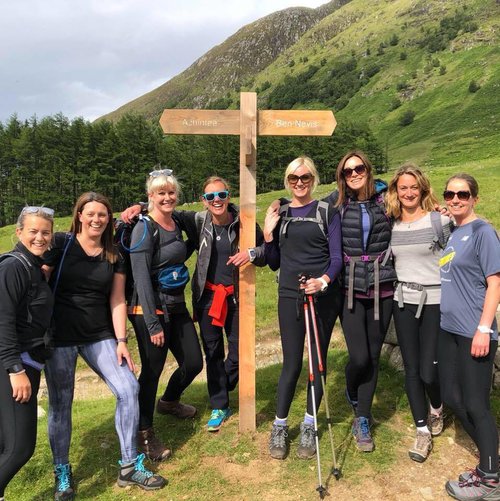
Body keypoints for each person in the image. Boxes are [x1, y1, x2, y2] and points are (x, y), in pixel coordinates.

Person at [44, 192, 166, 501]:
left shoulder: (114, 253)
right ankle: (62, 470)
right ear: (79, 216)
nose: (97, 219)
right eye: (91, 213)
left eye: (103, 214)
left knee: (128, 389)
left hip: (99, 334)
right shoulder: (61, 244)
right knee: (61, 404)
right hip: (59, 338)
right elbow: (36, 279)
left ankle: (128, 464)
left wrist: (122, 341)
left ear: (109, 219)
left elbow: (117, 299)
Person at [264, 156, 343, 460]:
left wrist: (322, 281)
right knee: (291, 363)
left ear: (313, 179)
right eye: (294, 178)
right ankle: (280, 425)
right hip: (289, 295)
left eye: (305, 177)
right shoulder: (279, 213)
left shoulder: (327, 211)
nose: (299, 183)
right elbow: (273, 262)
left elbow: (336, 258)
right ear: (287, 180)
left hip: (321, 295)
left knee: (317, 363)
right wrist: (269, 233)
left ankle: (310, 424)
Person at [128, 170, 203, 461]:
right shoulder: (143, 228)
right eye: (161, 193)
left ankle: (169, 401)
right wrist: (151, 322)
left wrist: (193, 242)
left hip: (176, 306)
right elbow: (142, 278)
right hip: (150, 309)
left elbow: (174, 257)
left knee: (194, 363)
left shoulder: (174, 224)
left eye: (171, 192)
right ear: (151, 196)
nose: (167, 197)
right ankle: (143, 433)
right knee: (151, 372)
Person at [327, 150, 397, 452]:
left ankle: (363, 418)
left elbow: (415, 206)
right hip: (350, 290)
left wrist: (442, 214)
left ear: (368, 169)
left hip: (383, 288)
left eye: (358, 168)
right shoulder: (336, 204)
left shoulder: (387, 200)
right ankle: (351, 386)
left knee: (373, 356)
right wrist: (278, 205)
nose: (353, 174)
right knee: (359, 358)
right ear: (341, 176)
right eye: (347, 171)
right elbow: (302, 209)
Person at [437, 174, 500, 501]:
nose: (456, 198)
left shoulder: (483, 232)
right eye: (451, 193)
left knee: (476, 404)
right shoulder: (457, 231)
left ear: (474, 197)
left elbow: (495, 283)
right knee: (451, 394)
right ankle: (492, 461)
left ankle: (490, 478)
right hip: (449, 329)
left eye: (463, 193)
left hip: (474, 331)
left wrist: (484, 329)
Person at [386, 163, 451, 462]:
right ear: (396, 193)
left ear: (422, 189)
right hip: (403, 300)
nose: (409, 193)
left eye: (414, 187)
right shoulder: (392, 223)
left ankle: (437, 407)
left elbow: (461, 249)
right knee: (412, 369)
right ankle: (422, 429)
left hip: (435, 300)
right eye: (403, 188)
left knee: (428, 369)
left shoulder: (440, 221)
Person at [0, 207, 55, 501]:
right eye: (33, 231)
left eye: (45, 232)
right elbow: (3, 320)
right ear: (19, 232)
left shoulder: (33, 264)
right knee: (20, 448)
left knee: (4, 444)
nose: (40, 237)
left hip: (26, 360)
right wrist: (14, 370)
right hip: (14, 364)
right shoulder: (13, 267)